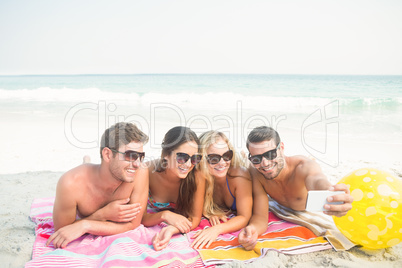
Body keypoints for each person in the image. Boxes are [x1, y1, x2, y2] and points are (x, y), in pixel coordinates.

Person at [238, 126, 353, 250]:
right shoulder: (256, 173)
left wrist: (330, 190)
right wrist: (252, 230)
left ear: (281, 148)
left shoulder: (303, 167)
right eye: (256, 159)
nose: (264, 163)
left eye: (271, 154)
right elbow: (260, 216)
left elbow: (317, 180)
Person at [46, 122, 149, 248]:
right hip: (88, 174)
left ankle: (86, 161)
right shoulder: (70, 183)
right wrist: (102, 215)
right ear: (107, 154)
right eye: (131, 156)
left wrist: (86, 225)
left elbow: (133, 224)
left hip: (102, 170)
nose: (138, 164)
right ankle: (86, 162)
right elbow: (63, 231)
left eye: (140, 156)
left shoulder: (140, 172)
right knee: (85, 167)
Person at [141, 126, 206, 251]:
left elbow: (195, 218)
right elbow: (141, 218)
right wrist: (165, 215)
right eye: (182, 157)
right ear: (166, 154)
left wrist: (172, 229)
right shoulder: (147, 171)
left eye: (194, 159)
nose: (188, 164)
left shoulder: (197, 176)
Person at [191, 131, 252, 249]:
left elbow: (244, 217)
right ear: (202, 158)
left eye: (227, 155)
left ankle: (245, 157)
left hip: (250, 177)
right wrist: (210, 212)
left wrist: (216, 229)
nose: (222, 162)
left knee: (249, 166)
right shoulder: (200, 176)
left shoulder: (239, 176)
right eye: (214, 158)